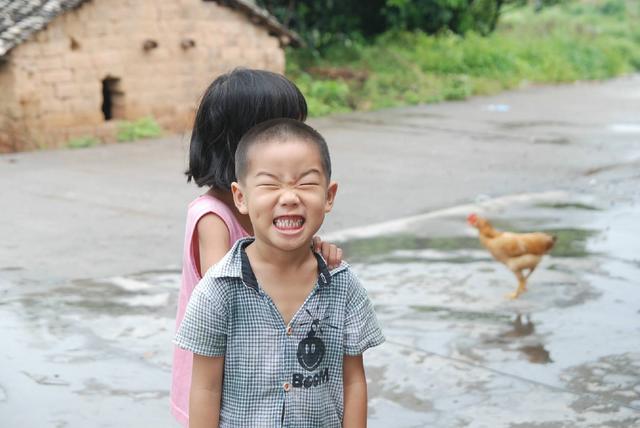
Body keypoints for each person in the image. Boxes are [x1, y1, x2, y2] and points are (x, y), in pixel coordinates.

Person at [175, 118, 384, 427]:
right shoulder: (217, 290)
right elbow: (205, 387)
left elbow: (353, 381)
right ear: (240, 197)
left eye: (306, 183)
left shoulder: (344, 285)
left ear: (329, 196)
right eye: (270, 184)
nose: (289, 197)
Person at [171, 69, 343, 426]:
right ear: (245, 146)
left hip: (267, 378)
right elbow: (229, 294)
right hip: (221, 388)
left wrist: (313, 256)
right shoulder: (212, 218)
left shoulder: (268, 210)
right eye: (286, 131)